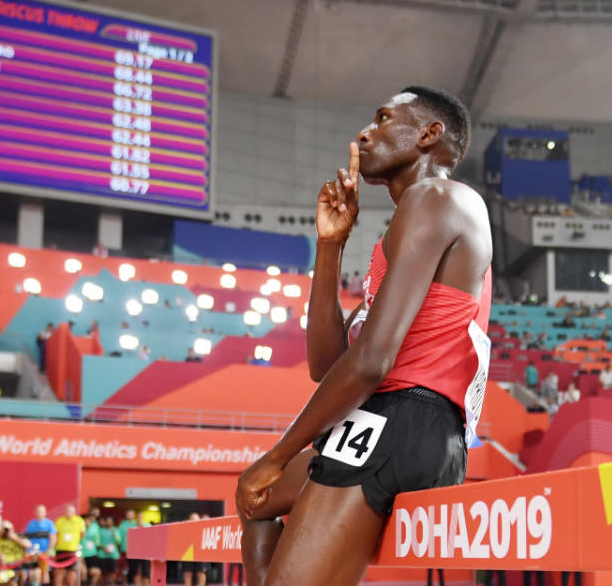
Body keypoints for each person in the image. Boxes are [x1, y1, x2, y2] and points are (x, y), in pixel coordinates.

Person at [234, 87, 492, 586]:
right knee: (257, 500)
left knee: (260, 482)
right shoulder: (414, 227)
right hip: (394, 421)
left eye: (383, 118)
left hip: (404, 416)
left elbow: (373, 360)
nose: (364, 132)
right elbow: (326, 364)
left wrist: (277, 455)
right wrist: (331, 245)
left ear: (428, 134)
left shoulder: (436, 197)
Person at [0, 521, 31, 586]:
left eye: (8, 529)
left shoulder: (19, 536)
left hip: (18, 566)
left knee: (23, 574)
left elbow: (27, 545)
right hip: (4, 567)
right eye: (4, 529)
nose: (6, 531)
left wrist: (13, 537)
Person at [52, 505, 86, 586]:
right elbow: (55, 535)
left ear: (74, 512)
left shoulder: (79, 521)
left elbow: (83, 535)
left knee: (72, 573)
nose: (69, 513)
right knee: (58, 572)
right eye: (67, 511)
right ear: (64, 512)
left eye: (71, 511)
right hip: (61, 550)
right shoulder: (59, 521)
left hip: (73, 550)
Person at [24, 505, 57, 586]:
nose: (40, 513)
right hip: (32, 553)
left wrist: (49, 550)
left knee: (44, 572)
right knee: (33, 571)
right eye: (38, 511)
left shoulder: (49, 524)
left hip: (44, 552)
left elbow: (53, 538)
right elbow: (26, 538)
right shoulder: (31, 524)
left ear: (45, 513)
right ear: (35, 513)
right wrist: (26, 551)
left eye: (42, 511)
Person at [117, 510, 149, 586]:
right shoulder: (123, 525)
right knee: (134, 571)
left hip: (143, 551)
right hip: (130, 551)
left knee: (145, 572)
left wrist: (140, 522)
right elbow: (119, 538)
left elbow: (146, 534)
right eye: (128, 514)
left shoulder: (145, 524)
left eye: (140, 517)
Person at [182, 514, 208, 586]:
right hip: (189, 552)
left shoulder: (203, 528)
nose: (194, 521)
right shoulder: (186, 529)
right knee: (188, 574)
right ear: (189, 520)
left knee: (201, 573)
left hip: (200, 552)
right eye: (192, 520)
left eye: (196, 520)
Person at [96, 517, 120, 585]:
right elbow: (97, 542)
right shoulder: (101, 530)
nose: (109, 523)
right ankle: (104, 584)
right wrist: (104, 548)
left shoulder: (115, 530)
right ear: (105, 522)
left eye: (110, 521)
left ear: (112, 522)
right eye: (107, 521)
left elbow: (118, 541)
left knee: (112, 571)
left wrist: (114, 534)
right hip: (103, 555)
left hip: (113, 555)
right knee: (103, 572)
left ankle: (112, 584)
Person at [81, 512, 102, 586]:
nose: (88, 522)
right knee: (83, 573)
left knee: (97, 572)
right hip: (80, 555)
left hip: (92, 554)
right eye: (86, 520)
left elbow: (97, 541)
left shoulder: (95, 527)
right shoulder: (79, 528)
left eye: (89, 520)